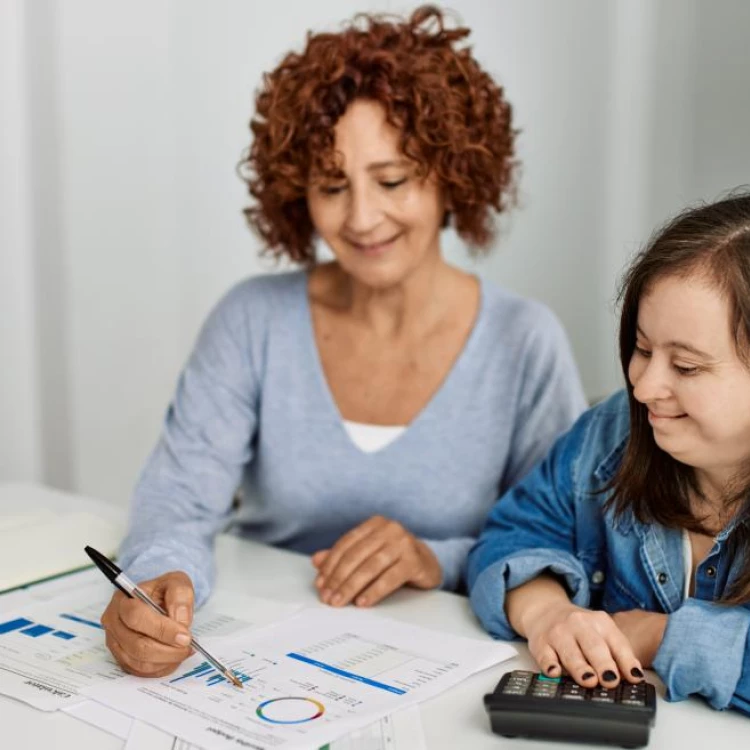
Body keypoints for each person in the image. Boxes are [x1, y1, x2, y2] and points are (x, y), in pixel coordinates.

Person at [101, 6, 586, 678]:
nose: (361, 218)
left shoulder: (523, 341)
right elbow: (177, 500)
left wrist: (431, 559)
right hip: (256, 651)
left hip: (448, 667)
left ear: (452, 176)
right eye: (332, 186)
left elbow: (559, 539)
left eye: (392, 181)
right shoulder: (253, 321)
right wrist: (155, 581)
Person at [468, 191, 750, 715]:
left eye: (685, 367)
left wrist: (659, 635)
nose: (643, 389)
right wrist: (546, 611)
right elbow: (512, 533)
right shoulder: (612, 430)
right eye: (642, 350)